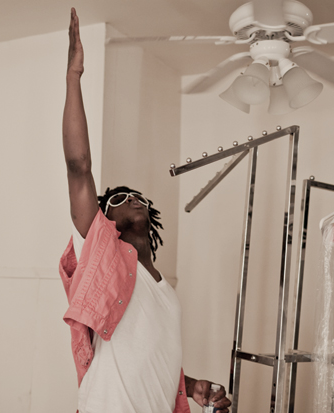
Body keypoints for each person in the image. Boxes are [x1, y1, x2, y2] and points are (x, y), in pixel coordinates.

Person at [59, 8, 232, 413]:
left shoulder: (164, 290)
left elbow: (151, 358)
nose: (132, 199)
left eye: (137, 196)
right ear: (104, 220)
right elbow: (78, 167)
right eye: (118, 199)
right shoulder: (103, 258)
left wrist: (191, 385)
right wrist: (73, 78)